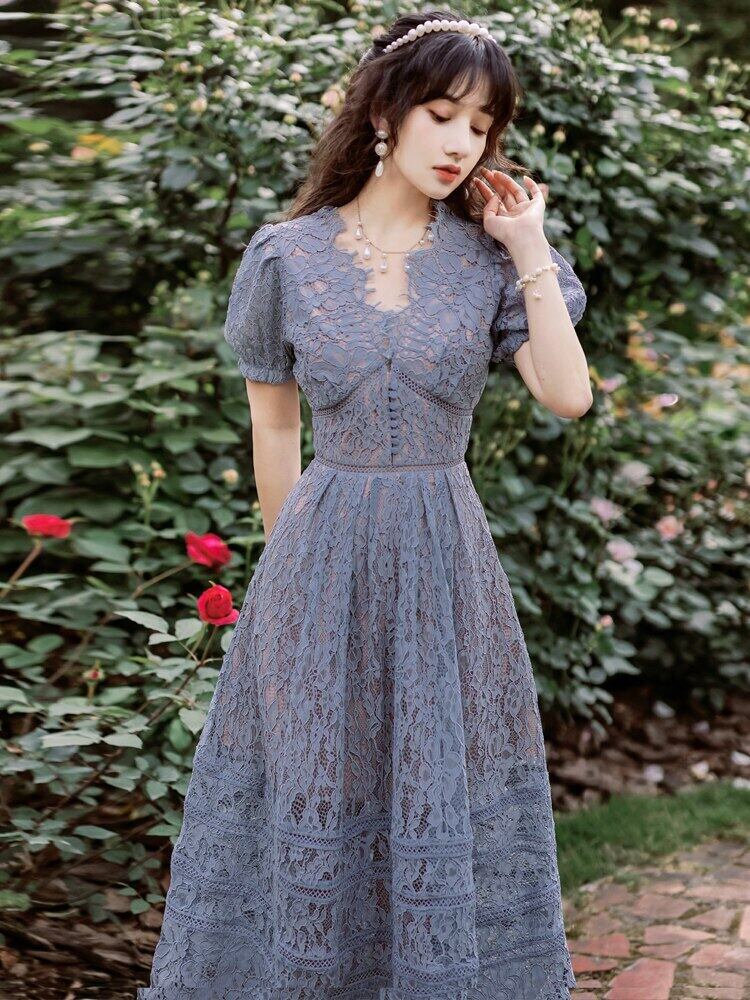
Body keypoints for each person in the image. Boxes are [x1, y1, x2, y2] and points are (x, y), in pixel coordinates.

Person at [137, 9, 590, 1000]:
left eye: (482, 125)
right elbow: (274, 432)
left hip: (443, 561)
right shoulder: (285, 257)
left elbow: (567, 395)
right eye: (442, 113)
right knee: (318, 779)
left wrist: (527, 247)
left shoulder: (490, 262)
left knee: (434, 779)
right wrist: (287, 587)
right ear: (385, 113)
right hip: (321, 554)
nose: (463, 142)